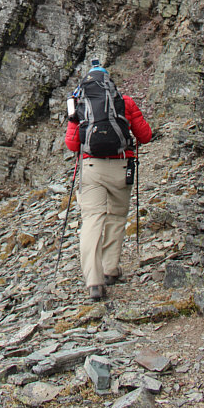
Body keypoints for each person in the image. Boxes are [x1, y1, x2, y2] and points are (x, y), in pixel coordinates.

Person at [64, 65, 152, 300]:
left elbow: (72, 145)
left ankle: (94, 282)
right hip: (122, 167)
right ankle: (110, 270)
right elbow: (145, 135)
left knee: (92, 220)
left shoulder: (80, 104)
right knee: (116, 217)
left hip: (91, 168)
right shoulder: (125, 101)